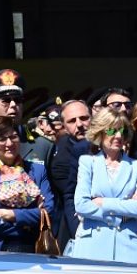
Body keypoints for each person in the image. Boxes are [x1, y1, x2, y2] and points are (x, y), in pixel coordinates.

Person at [69, 109, 137, 263]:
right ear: (100, 132)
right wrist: (124, 210)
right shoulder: (87, 163)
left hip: (128, 246)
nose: (118, 136)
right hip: (91, 245)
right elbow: (81, 205)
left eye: (122, 131)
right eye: (112, 130)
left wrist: (103, 202)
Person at [0, 115, 54, 252]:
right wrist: (30, 222)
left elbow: (49, 213)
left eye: (13, 137)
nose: (9, 143)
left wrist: (9, 214)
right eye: (2, 139)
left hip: (35, 246)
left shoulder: (37, 171)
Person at [50, 100, 92, 248]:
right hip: (75, 226)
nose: (80, 124)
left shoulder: (109, 143)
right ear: (65, 127)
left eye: (84, 118)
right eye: (72, 121)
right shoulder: (60, 157)